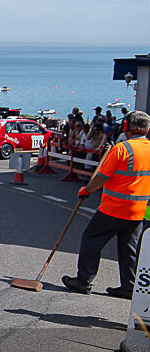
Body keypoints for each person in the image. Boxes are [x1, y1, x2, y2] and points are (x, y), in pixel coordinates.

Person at [62, 110, 150, 298]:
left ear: (126, 127)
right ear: (147, 129)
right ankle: (129, 286)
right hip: (138, 211)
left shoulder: (122, 149)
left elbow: (101, 176)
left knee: (91, 239)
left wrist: (87, 190)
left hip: (114, 208)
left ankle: (83, 280)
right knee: (129, 249)